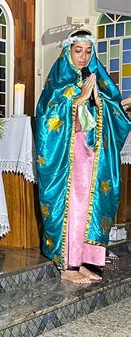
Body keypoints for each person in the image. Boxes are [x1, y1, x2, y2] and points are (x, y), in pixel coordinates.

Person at [36, 30, 130, 283]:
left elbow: (112, 110)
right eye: (78, 51)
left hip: (93, 158)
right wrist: (77, 101)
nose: (83, 57)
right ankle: (67, 265)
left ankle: (82, 261)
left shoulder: (96, 78)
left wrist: (104, 102)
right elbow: (46, 116)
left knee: (90, 208)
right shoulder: (58, 83)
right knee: (74, 209)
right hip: (69, 161)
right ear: (68, 51)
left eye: (88, 52)